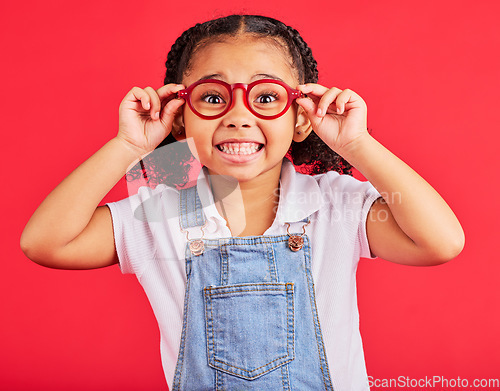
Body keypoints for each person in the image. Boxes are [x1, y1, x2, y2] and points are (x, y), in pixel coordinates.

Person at [20, 14, 464, 391]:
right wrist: (127, 146)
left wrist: (358, 144)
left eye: (266, 97)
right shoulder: (159, 213)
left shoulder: (335, 205)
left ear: (302, 118)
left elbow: (440, 242)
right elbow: (45, 243)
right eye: (212, 98)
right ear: (179, 117)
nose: (238, 115)